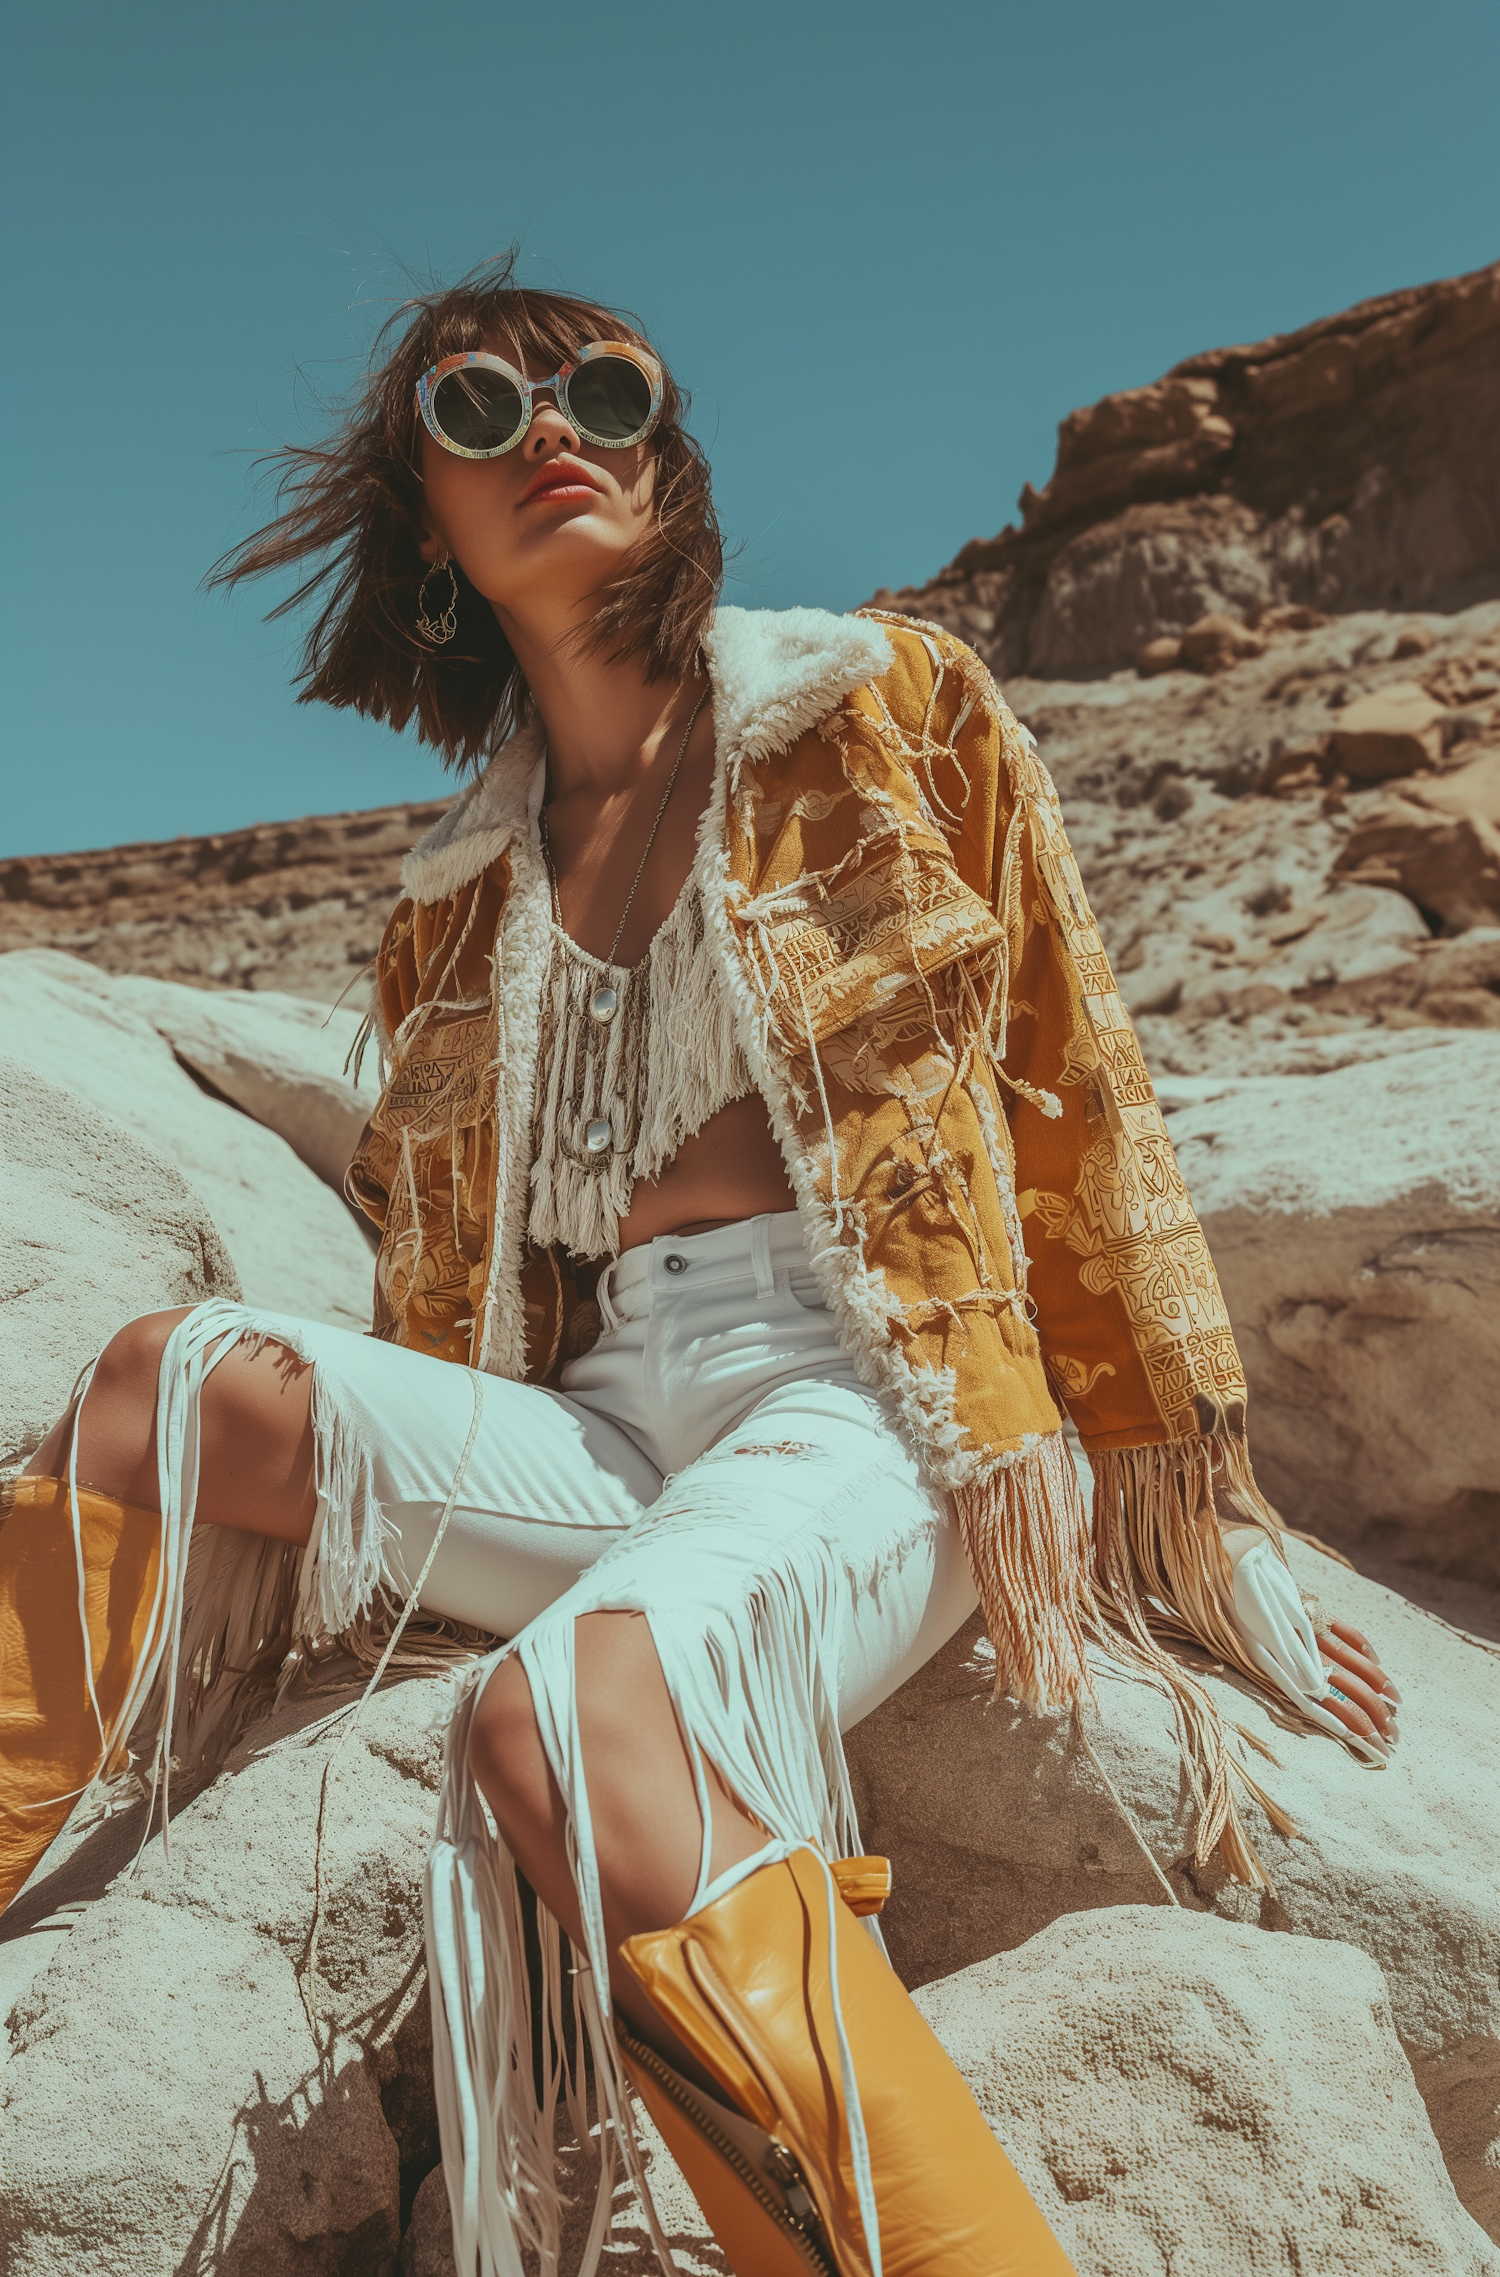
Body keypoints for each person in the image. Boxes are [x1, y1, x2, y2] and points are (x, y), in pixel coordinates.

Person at [0, 258, 1398, 2277]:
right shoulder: (457, 895)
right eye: (477, 415)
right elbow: (456, 1282)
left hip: (871, 1393)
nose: (550, 428)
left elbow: (1076, 1087)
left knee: (567, 1725)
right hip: (613, 1415)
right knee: (170, 1379)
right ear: (431, 531)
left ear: (669, 459)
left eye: (601, 389)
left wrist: (1200, 1512)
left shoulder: (881, 705)